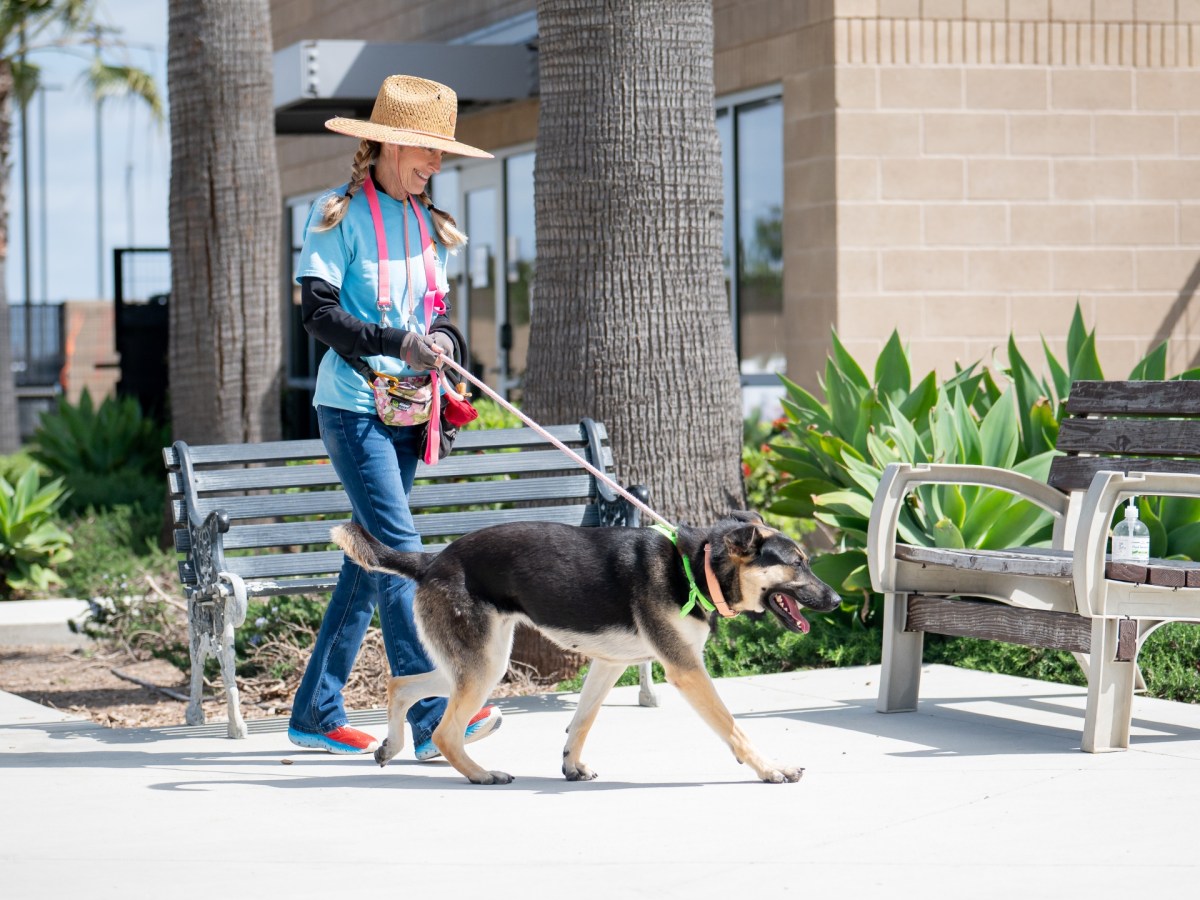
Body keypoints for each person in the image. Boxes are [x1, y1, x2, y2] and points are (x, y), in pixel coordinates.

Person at [287, 75, 501, 757]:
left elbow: (435, 313)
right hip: (351, 409)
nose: (436, 164)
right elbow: (319, 315)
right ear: (384, 143)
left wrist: (443, 341)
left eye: (441, 154)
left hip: (412, 411)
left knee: (372, 560)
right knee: (406, 552)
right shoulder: (335, 212)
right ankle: (437, 709)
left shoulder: (426, 219)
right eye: (425, 151)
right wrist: (392, 342)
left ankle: (315, 712)